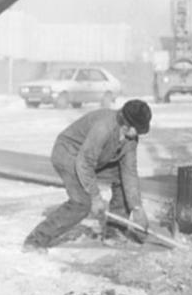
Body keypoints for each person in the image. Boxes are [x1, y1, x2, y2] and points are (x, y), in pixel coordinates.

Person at [23, 99, 153, 253]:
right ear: (126, 125)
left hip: (96, 158)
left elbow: (129, 171)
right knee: (82, 203)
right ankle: (36, 240)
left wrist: (137, 207)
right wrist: (95, 196)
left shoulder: (130, 138)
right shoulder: (103, 128)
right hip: (69, 155)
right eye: (138, 129)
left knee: (121, 181)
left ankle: (114, 231)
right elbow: (84, 163)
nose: (139, 134)